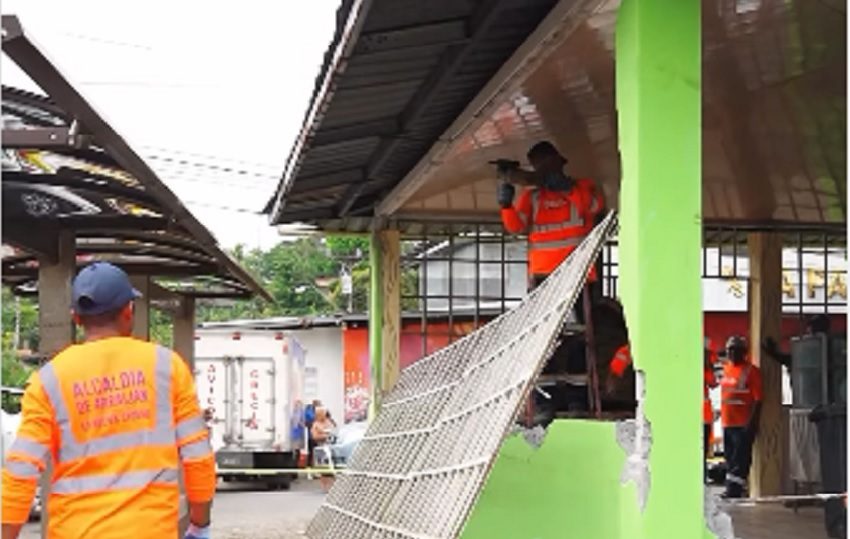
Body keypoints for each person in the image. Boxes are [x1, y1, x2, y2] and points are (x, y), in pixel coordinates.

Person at [1, 262, 216, 539]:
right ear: (129, 310)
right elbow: (197, 457)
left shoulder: (49, 380)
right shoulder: (167, 367)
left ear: (76, 318)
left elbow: (21, 470)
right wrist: (200, 524)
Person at [497, 141, 606, 316]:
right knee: (541, 325)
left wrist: (568, 190)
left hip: (579, 271)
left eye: (547, 163)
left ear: (559, 162)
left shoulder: (583, 187)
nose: (545, 169)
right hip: (544, 273)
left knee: (588, 322)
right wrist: (506, 206)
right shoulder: (532, 196)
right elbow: (516, 228)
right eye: (540, 166)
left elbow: (595, 207)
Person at [720, 335, 763, 498]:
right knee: (730, 458)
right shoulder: (726, 369)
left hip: (742, 423)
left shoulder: (751, 372)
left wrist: (751, 423)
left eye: (735, 350)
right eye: (729, 350)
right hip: (727, 422)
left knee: (741, 459)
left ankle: (735, 490)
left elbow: (758, 400)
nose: (731, 353)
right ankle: (731, 487)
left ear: (743, 352)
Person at [310, 407, 337, 493]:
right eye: (323, 413)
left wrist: (330, 434)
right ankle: (325, 487)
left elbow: (334, 431)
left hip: (331, 446)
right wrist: (325, 436)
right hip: (321, 448)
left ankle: (333, 486)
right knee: (323, 468)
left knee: (332, 467)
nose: (324, 415)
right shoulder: (315, 424)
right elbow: (314, 436)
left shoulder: (329, 422)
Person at [703, 339, 719, 481]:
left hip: (701, 415)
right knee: (702, 448)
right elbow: (713, 383)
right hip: (703, 416)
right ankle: (702, 475)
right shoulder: (705, 370)